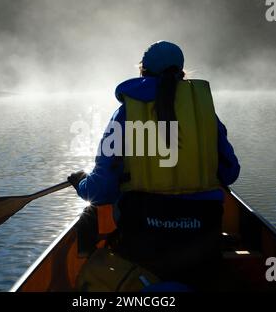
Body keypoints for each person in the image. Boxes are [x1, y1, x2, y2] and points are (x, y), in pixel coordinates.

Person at [68, 41, 240, 289]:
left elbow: (101, 190)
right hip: (203, 241)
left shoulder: (125, 114)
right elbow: (230, 172)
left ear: (142, 71)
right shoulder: (205, 114)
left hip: (144, 244)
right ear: (182, 72)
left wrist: (81, 184)